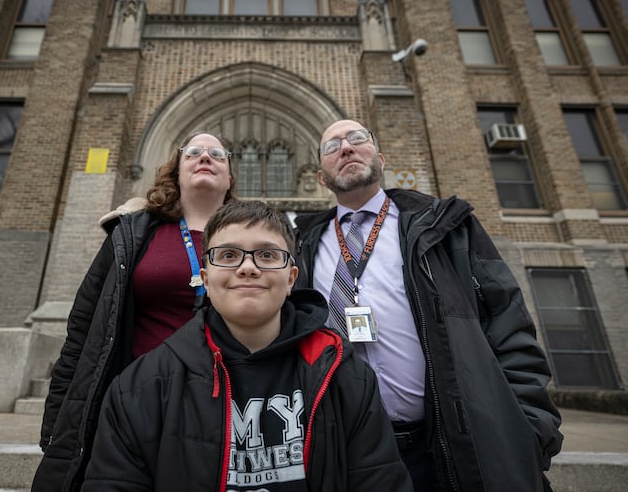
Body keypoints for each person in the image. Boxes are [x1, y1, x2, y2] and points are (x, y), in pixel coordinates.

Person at [293, 119, 564, 492]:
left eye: (357, 139)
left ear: (381, 158)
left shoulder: (445, 227)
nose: (346, 148)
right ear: (322, 178)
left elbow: (507, 322)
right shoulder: (302, 245)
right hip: (350, 453)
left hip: (446, 445)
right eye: (331, 146)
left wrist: (532, 427)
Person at [80, 200, 413, 492]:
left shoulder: (346, 377)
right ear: (206, 279)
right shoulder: (139, 388)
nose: (248, 267)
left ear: (291, 278)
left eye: (267, 255)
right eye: (228, 255)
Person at [32, 132, 237, 492]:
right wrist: (59, 422)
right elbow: (84, 330)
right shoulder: (132, 233)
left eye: (217, 154)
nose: (205, 157)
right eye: (194, 152)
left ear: (230, 177)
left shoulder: (249, 238)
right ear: (177, 170)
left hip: (222, 406)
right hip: (136, 405)